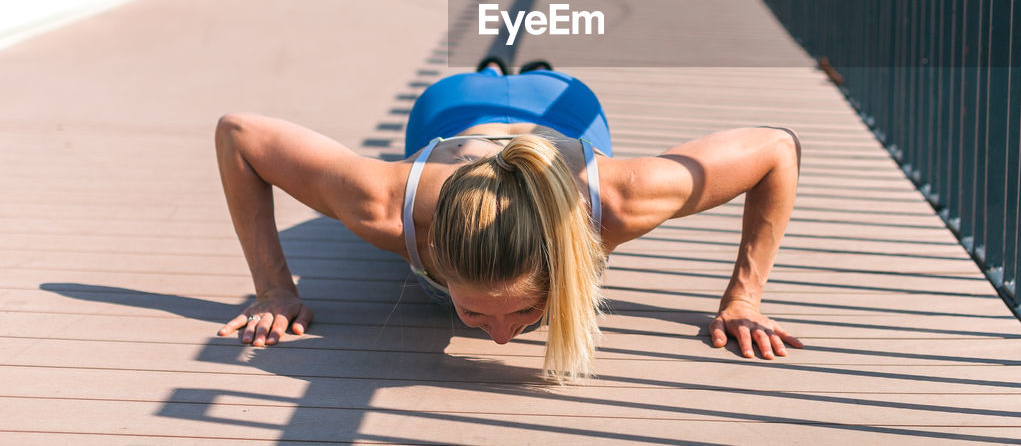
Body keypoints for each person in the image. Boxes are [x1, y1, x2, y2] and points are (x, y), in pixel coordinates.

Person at [213, 60, 802, 381]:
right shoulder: (386, 207)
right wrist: (273, 288)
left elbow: (778, 149)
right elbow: (238, 135)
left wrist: (744, 299)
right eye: (472, 311)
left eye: (524, 309)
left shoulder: (615, 204)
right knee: (484, 77)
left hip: (564, 104)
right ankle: (499, 69)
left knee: (545, 77)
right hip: (452, 104)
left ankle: (527, 68)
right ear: (432, 252)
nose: (498, 337)